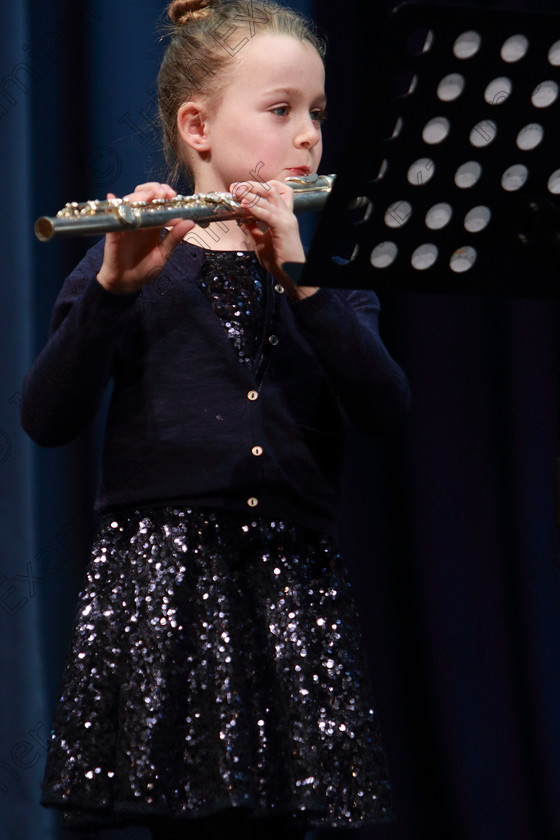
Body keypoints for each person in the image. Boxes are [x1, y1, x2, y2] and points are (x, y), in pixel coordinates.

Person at [21, 1, 410, 838]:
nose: (308, 135)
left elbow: (386, 408)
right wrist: (111, 292)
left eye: (317, 114)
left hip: (289, 579)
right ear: (197, 127)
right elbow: (46, 418)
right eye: (282, 111)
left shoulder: (325, 269)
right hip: (165, 579)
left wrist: (305, 283)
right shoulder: (129, 258)